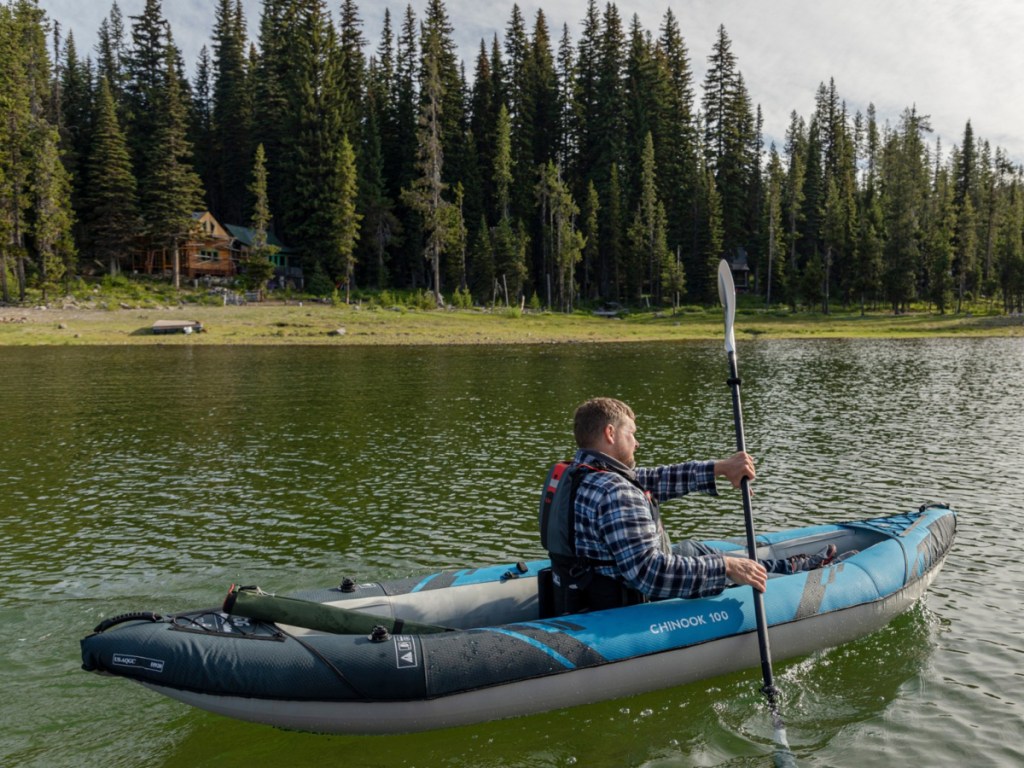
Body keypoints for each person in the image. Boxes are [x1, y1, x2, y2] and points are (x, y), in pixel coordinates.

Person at [540, 397, 835, 615]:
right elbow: (650, 574)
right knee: (718, 563)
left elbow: (650, 479)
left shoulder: (576, 474)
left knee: (696, 549)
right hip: (623, 602)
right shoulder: (615, 491)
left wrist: (720, 468)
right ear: (610, 434)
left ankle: (779, 567)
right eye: (632, 433)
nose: (637, 443)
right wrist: (725, 567)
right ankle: (790, 573)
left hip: (582, 588)